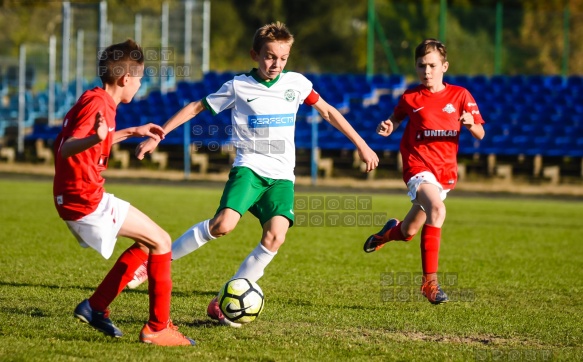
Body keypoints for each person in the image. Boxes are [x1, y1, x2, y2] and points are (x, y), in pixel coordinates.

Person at [129, 21, 379, 326]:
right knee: (223, 225)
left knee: (276, 236)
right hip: (249, 169)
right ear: (255, 54)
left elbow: (328, 111)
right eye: (270, 56)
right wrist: (160, 133)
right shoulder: (238, 86)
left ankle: (226, 298)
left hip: (282, 177)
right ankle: (153, 262)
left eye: (283, 58)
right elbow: (196, 108)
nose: (276, 64)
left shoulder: (297, 84)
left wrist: (362, 144)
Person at [52, 39, 195, 346]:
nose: (141, 84)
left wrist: (131, 132)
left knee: (148, 243)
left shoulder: (94, 98)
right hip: (84, 198)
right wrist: (95, 138)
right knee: (162, 241)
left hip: (78, 196)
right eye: (140, 78)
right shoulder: (99, 104)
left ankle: (95, 307)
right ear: (125, 79)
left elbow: (88, 139)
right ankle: (158, 328)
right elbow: (67, 148)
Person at [363, 39, 485, 304]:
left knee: (408, 232)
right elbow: (396, 118)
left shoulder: (460, 96)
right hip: (417, 167)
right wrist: (389, 126)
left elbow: (481, 132)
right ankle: (430, 284)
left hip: (445, 173)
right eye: (421, 66)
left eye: (432, 65)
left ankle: (387, 233)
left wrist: (469, 123)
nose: (426, 71)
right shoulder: (411, 97)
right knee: (438, 210)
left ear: (444, 66)